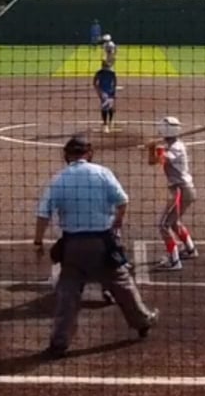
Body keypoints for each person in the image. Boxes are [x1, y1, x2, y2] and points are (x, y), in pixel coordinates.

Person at [31, 133, 157, 357]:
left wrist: (38, 242)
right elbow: (123, 200)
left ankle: (59, 342)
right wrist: (117, 221)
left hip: (73, 246)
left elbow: (43, 214)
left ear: (66, 155)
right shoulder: (102, 172)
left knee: (67, 294)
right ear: (89, 153)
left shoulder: (59, 178)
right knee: (122, 284)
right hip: (102, 242)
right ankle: (142, 322)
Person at [151, 116, 199, 270]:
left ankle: (174, 261)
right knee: (173, 222)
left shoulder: (176, 147)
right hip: (184, 189)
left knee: (164, 225)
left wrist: (155, 148)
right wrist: (153, 148)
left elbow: (160, 160)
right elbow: (152, 161)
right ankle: (190, 249)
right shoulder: (173, 144)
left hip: (181, 190)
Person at [93, 64, 118, 132]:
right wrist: (99, 91)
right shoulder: (99, 73)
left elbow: (115, 83)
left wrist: (113, 91)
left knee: (110, 107)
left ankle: (110, 122)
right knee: (104, 107)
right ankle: (105, 125)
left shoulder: (112, 73)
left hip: (110, 92)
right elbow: (94, 83)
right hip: (103, 92)